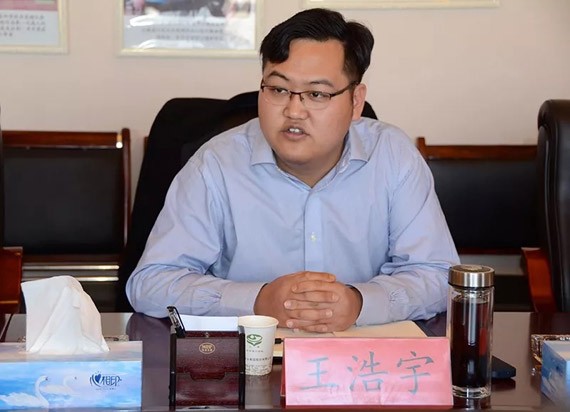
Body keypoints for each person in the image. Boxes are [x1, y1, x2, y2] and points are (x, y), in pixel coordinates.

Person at [126, 8, 459, 332]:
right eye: (278, 89)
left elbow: (438, 275)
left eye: (317, 94)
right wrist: (258, 301)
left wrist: (360, 303)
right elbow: (150, 284)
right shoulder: (215, 164)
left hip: (359, 361)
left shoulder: (393, 157)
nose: (294, 111)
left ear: (356, 101)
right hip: (248, 359)